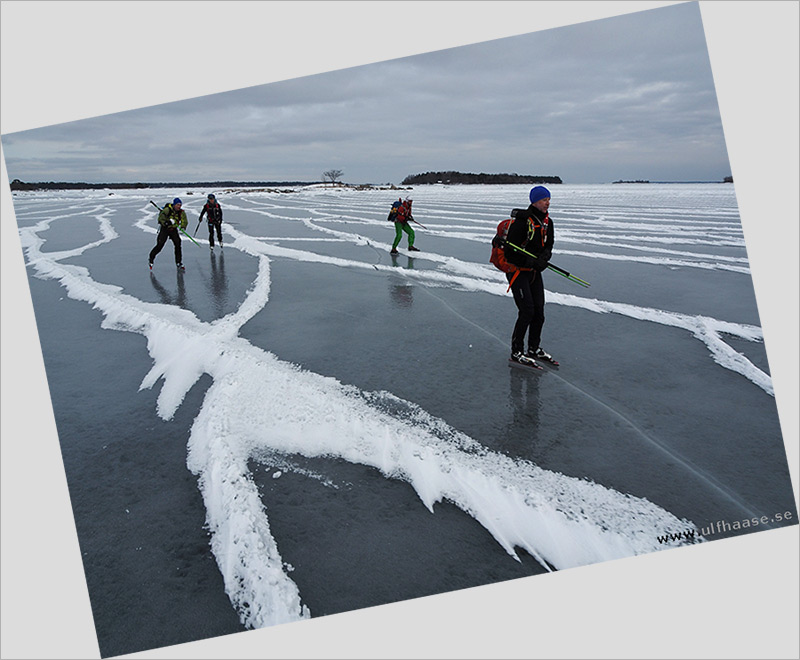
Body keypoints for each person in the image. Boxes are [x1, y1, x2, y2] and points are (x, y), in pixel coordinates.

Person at [503, 186, 556, 366]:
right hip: (517, 272)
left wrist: (544, 259)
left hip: (534, 272)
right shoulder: (522, 222)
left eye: (548, 199)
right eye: (543, 200)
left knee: (539, 312)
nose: (547, 202)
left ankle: (533, 348)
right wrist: (531, 262)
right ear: (534, 201)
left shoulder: (548, 222)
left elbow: (549, 245)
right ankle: (517, 351)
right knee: (527, 311)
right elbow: (510, 253)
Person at [149, 198, 188, 269]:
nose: (179, 206)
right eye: (177, 205)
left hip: (173, 229)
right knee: (160, 245)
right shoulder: (167, 210)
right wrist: (167, 222)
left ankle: (178, 262)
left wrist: (183, 227)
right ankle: (151, 258)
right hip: (165, 229)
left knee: (178, 243)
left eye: (180, 205)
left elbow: (184, 220)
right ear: (174, 204)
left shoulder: (181, 212)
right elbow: (160, 219)